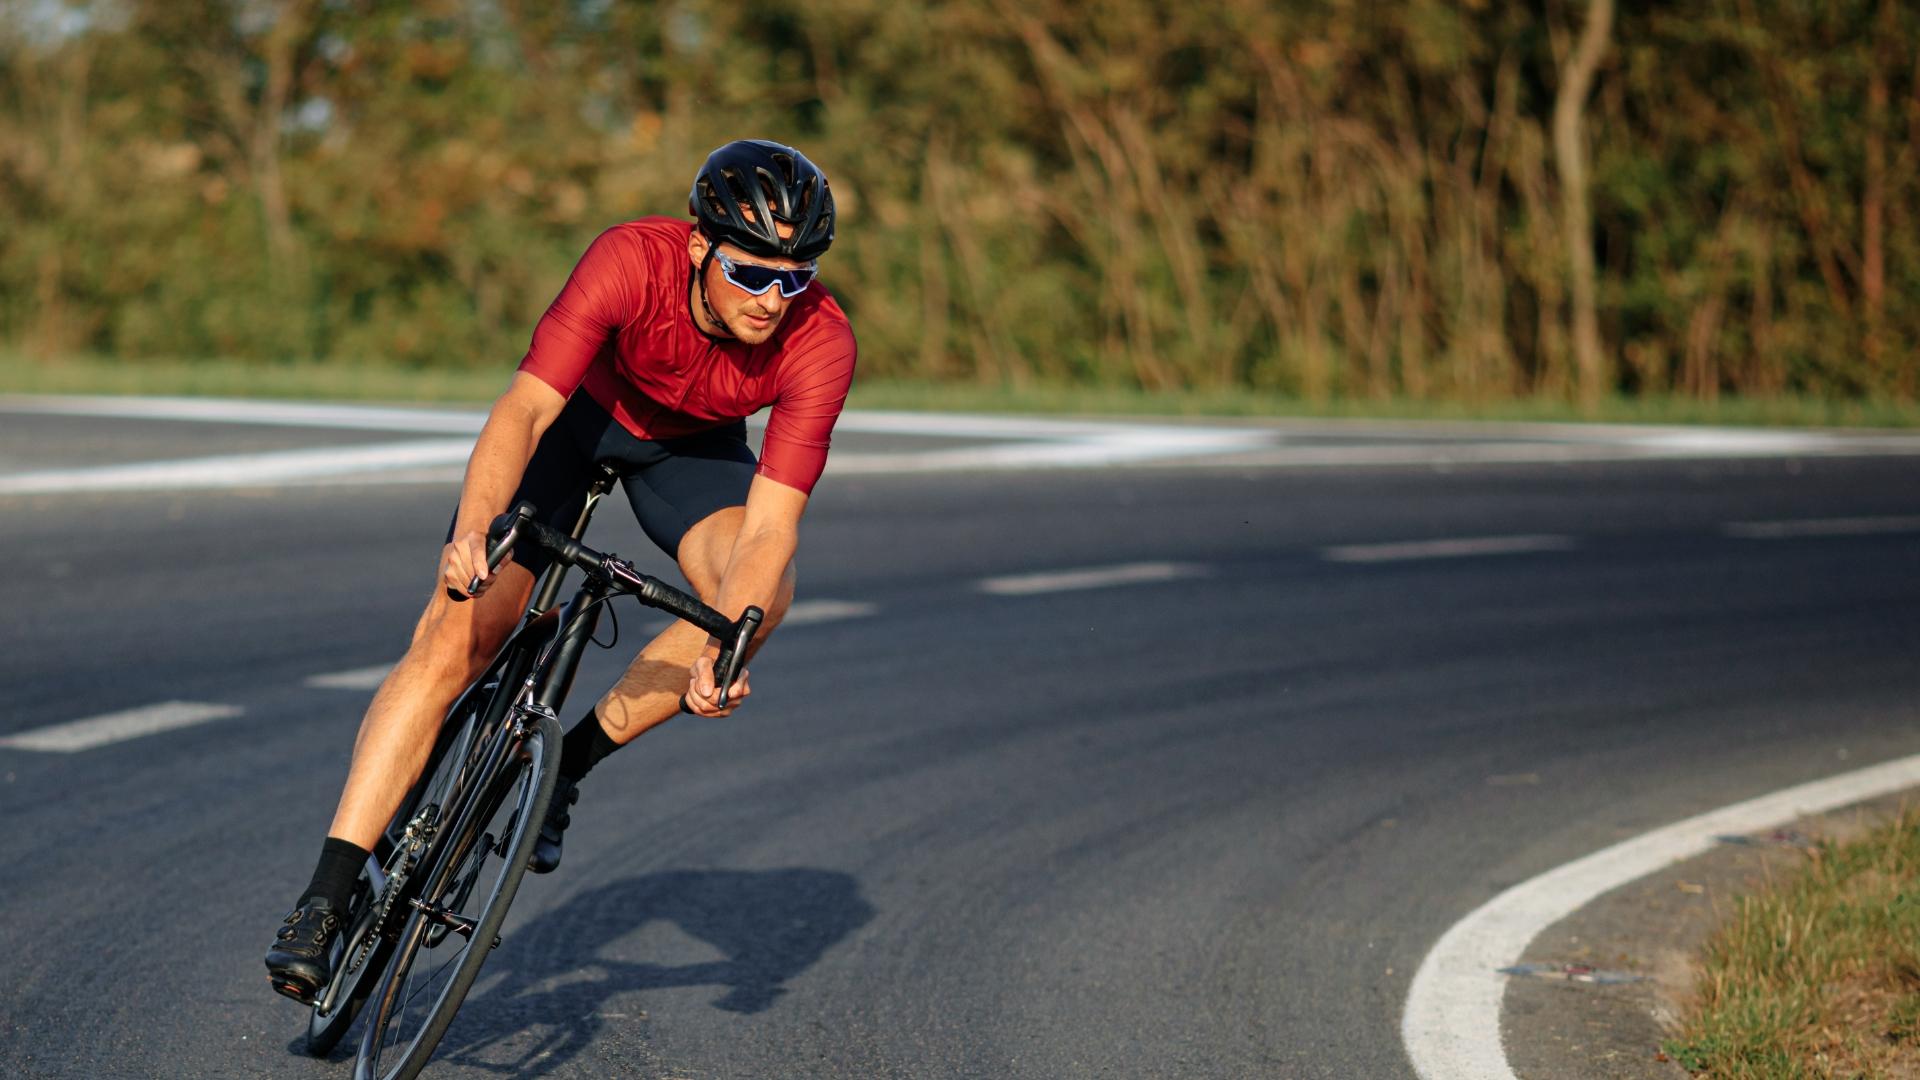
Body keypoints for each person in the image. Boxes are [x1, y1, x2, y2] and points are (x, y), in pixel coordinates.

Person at [265, 139, 854, 1003]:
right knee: (458, 634)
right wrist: (474, 533)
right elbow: (526, 407)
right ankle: (325, 895)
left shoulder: (821, 339)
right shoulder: (630, 260)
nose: (774, 299)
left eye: (795, 277)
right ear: (700, 249)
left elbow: (770, 527)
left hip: (689, 455)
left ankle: (565, 768)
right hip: (576, 427)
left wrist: (730, 648)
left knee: (762, 597)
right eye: (752, 273)